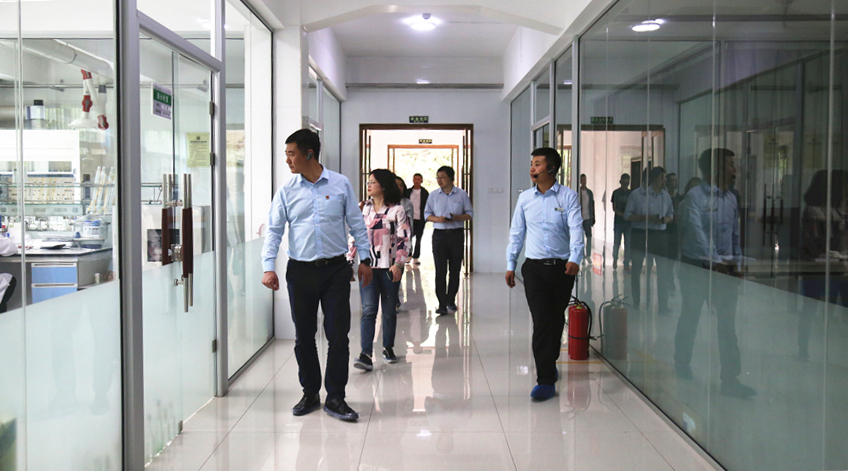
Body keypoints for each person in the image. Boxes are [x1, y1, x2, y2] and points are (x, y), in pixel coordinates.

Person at [261, 129, 372, 422]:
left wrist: (365, 259)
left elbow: (357, 224)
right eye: (286, 154)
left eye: (291, 154)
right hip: (301, 272)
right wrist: (268, 266)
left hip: (336, 270)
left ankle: (335, 397)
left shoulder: (340, 184)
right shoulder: (287, 191)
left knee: (338, 335)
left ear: (309, 154)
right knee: (304, 337)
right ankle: (310, 392)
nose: (287, 160)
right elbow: (274, 230)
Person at [674, 148, 756, 398]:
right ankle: (682, 362)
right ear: (717, 168)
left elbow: (734, 235)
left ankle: (731, 378)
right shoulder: (695, 197)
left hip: (724, 269)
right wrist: (717, 261)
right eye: (730, 164)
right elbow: (697, 233)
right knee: (691, 316)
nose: (734, 169)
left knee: (727, 324)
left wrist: (736, 263)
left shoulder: (731, 199)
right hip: (696, 267)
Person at [505, 147, 583, 401]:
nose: (532, 168)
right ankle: (546, 380)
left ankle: (549, 360)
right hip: (534, 269)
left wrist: (575, 258)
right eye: (532, 163)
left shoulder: (568, 196)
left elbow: (577, 229)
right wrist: (511, 263)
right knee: (542, 321)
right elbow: (517, 232)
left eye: (538, 164)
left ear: (551, 168)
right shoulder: (525, 198)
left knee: (556, 319)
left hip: (562, 269)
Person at [348, 169, 411, 372]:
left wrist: (399, 263)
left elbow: (404, 238)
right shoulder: (363, 208)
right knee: (368, 310)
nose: (368, 185)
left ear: (383, 186)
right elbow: (355, 235)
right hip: (368, 267)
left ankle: (387, 348)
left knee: (389, 310)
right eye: (368, 182)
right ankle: (365, 354)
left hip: (389, 268)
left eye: (372, 182)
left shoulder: (397, 210)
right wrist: (349, 260)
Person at [424, 166, 473, 315]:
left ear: (451, 178)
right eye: (438, 177)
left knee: (455, 269)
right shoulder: (433, 195)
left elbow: (469, 214)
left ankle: (451, 300)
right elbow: (426, 214)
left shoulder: (462, 194)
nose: (439, 180)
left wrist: (457, 217)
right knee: (440, 270)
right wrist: (437, 219)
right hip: (439, 235)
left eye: (442, 177)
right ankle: (442, 304)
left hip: (456, 235)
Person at [625, 166, 673, 313]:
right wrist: (646, 218)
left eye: (664, 178)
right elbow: (627, 215)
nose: (664, 181)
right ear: (653, 179)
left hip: (659, 235)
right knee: (637, 269)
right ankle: (636, 301)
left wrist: (665, 220)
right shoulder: (637, 195)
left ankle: (663, 305)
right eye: (661, 178)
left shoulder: (666, 196)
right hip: (640, 234)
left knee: (662, 271)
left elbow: (671, 215)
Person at [394, 175, 415, 309]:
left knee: (398, 270)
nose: (399, 188)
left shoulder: (407, 203)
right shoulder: (383, 202)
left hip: (401, 242)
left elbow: (410, 224)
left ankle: (394, 298)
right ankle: (391, 298)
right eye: (396, 185)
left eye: (401, 185)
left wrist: (409, 243)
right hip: (386, 243)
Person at [404, 173, 429, 265]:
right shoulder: (408, 192)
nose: (417, 181)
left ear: (421, 180)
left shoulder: (425, 193)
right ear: (413, 180)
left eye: (418, 179)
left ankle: (416, 257)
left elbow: (427, 205)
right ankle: (409, 255)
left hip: (420, 218)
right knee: (409, 237)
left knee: (419, 238)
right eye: (415, 179)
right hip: (409, 218)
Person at [611, 173, 632, 271]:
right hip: (619, 222)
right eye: (624, 183)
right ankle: (615, 259)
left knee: (628, 244)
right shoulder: (616, 193)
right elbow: (614, 208)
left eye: (627, 183)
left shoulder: (631, 194)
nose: (625, 185)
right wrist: (622, 214)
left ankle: (626, 263)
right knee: (617, 243)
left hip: (628, 223)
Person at [579, 174, 595, 262]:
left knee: (589, 236)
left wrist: (593, 216)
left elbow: (592, 205)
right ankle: (582, 254)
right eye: (582, 180)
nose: (584, 182)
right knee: (580, 237)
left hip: (587, 217)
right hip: (580, 218)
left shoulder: (589, 193)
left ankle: (588, 254)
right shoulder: (578, 192)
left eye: (585, 180)